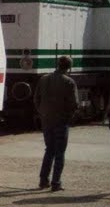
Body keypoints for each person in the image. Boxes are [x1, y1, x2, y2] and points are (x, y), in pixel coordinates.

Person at [33, 55, 79, 191]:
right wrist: (69, 117)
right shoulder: (69, 82)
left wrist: (42, 112)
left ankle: (43, 180)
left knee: (49, 150)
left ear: (57, 64)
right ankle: (56, 182)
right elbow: (74, 104)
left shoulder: (44, 78)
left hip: (46, 120)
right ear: (69, 67)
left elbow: (36, 99)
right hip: (61, 121)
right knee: (59, 152)